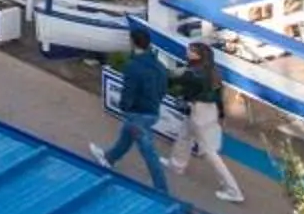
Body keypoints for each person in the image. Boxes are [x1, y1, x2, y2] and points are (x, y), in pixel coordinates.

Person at [168, 41, 248, 203]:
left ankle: (233, 191)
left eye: (190, 51)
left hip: (198, 111)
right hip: (209, 110)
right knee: (184, 135)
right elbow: (218, 96)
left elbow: (176, 81)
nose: (187, 52)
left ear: (198, 55)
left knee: (209, 152)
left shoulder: (193, 72)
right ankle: (176, 165)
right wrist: (221, 114)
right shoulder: (212, 71)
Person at [89, 46, 173, 193]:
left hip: (138, 114)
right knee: (126, 135)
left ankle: (161, 189)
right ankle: (109, 158)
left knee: (148, 151)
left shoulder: (135, 68)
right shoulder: (159, 68)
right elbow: (162, 89)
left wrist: (125, 107)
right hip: (149, 112)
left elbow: (129, 90)